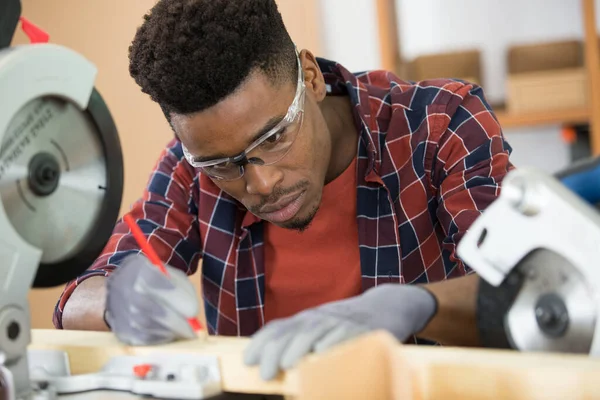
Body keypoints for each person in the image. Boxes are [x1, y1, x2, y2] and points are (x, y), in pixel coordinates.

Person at [53, 0, 514, 381]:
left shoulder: (441, 125)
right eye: (222, 164)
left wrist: (421, 305)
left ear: (310, 77)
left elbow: (530, 286)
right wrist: (113, 300)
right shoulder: (189, 169)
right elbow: (79, 299)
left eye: (274, 137)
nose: (261, 183)